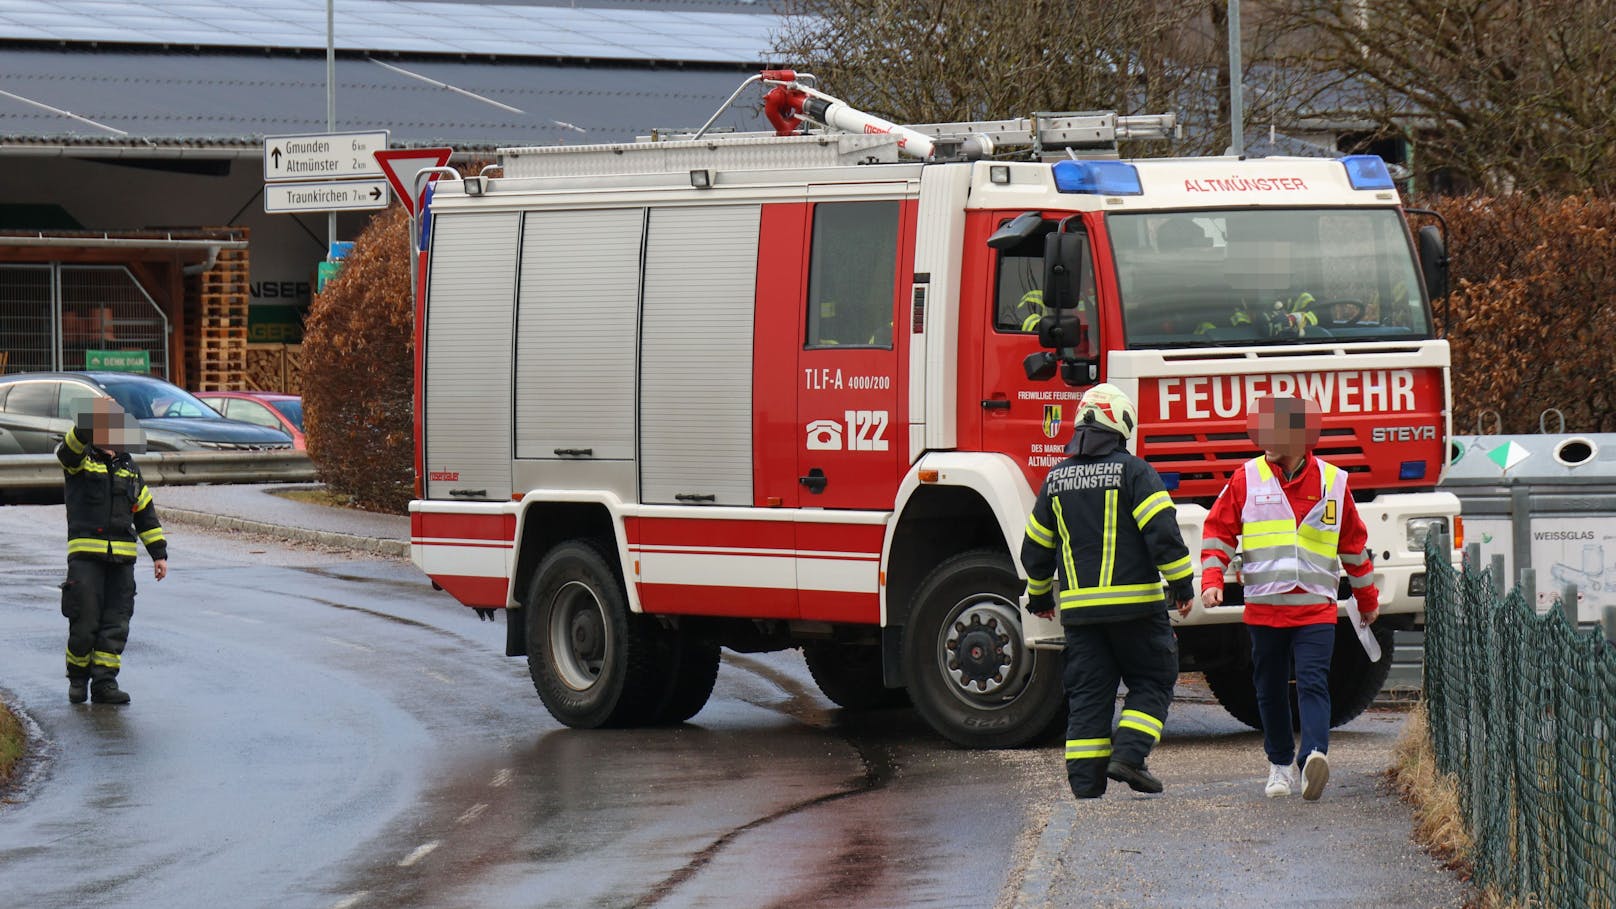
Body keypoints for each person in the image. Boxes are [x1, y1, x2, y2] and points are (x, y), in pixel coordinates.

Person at [1021, 384, 1196, 799]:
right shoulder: (1135, 472)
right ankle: (1130, 757)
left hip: (1081, 616)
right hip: (1136, 609)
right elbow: (1163, 535)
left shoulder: (1055, 479)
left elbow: (1036, 548)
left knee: (1088, 694)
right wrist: (1183, 584)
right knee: (1153, 679)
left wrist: (1041, 596)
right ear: (1121, 424)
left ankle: (1085, 786)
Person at [1199, 395, 1378, 800]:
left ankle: (1314, 756)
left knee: (1314, 682)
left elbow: (1354, 547)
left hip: (1316, 608)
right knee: (1269, 688)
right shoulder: (1247, 478)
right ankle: (1279, 765)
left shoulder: (1334, 483)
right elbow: (1218, 532)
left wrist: (1367, 600)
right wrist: (1213, 578)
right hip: (1265, 610)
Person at [56, 398, 168, 705]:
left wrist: (158, 554)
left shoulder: (129, 468)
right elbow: (68, 448)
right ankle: (78, 680)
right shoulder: (80, 461)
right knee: (84, 621)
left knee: (116, 623)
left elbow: (145, 513)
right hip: (86, 559)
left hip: (122, 560)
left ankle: (105, 683)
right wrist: (92, 414)